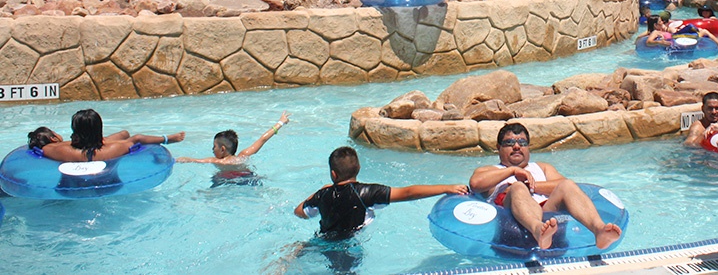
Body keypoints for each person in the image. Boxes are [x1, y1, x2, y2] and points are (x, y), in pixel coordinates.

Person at [469, 122, 623, 251]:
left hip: (548, 214)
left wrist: (532, 185)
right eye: (509, 143)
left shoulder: (542, 168)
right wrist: (513, 172)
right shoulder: (491, 171)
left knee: (567, 185)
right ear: (499, 147)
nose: (516, 146)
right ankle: (538, 230)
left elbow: (563, 185)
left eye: (522, 143)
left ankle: (599, 230)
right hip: (513, 227)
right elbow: (476, 184)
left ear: (528, 147)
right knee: (517, 187)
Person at [294, 145, 467, 241]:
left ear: (333, 174)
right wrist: (446, 187)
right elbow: (408, 193)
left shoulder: (322, 195)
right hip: (347, 245)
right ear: (359, 168)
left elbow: (299, 212)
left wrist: (319, 192)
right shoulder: (368, 193)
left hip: (322, 240)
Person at [37, 109, 184, 163]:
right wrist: (165, 139)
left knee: (123, 134)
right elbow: (137, 139)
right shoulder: (113, 149)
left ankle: (89, 137)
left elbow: (43, 147)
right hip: (101, 149)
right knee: (125, 134)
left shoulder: (56, 150)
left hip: (84, 146)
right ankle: (168, 139)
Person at [176, 111, 290, 165]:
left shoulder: (217, 161)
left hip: (226, 180)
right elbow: (262, 139)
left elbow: (194, 160)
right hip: (247, 178)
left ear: (222, 149)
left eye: (214, 146)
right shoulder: (243, 156)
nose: (212, 149)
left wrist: (176, 160)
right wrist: (280, 122)